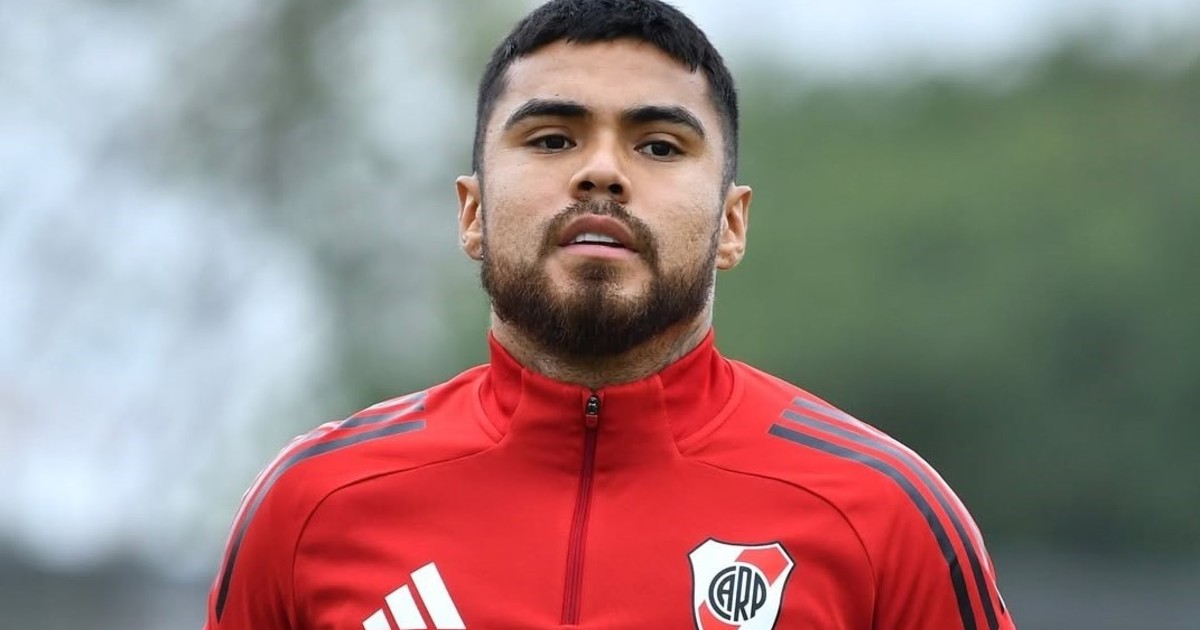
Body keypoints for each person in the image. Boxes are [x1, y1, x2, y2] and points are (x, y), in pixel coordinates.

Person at [203, 1, 1016, 628]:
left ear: (732, 224)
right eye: (551, 139)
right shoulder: (312, 506)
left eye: (658, 146)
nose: (601, 172)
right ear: (472, 212)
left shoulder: (884, 515)